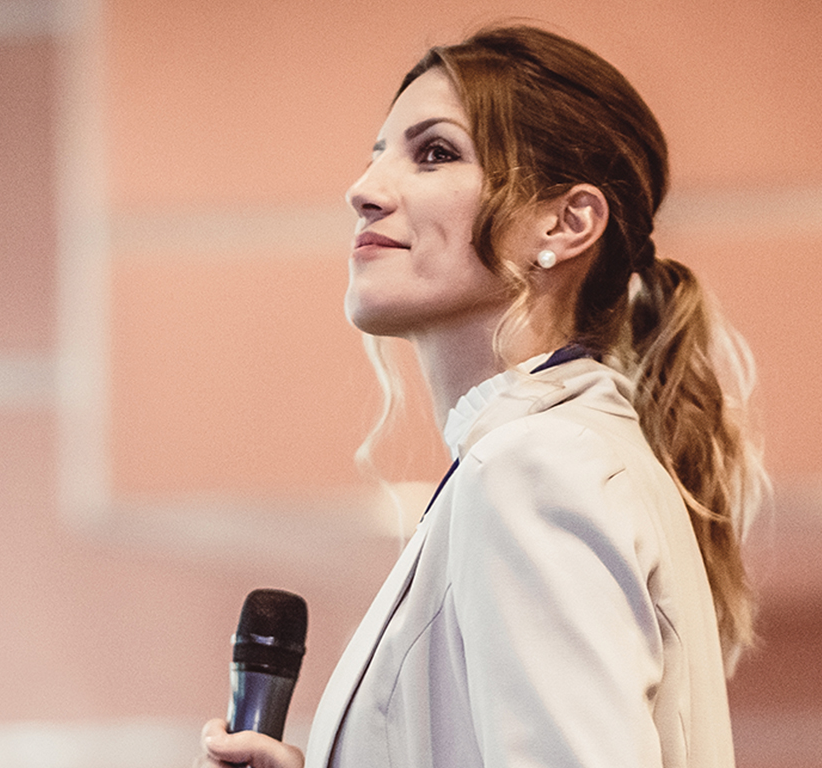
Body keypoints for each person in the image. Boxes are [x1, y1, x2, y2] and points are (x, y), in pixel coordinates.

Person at [195, 22, 766, 768]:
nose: (363, 191)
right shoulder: (562, 453)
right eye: (377, 156)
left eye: (434, 153)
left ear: (566, 221)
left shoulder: (538, 467)